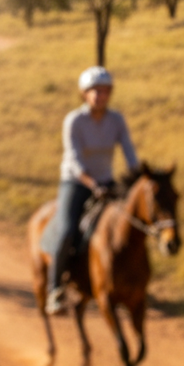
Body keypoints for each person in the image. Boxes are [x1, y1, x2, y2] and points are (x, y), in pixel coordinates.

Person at [42, 66, 139, 314]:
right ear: (84, 94)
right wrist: (91, 183)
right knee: (67, 229)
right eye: (94, 91)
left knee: (130, 224)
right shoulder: (74, 120)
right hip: (76, 182)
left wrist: (137, 179)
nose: (99, 95)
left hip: (106, 181)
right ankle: (54, 290)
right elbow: (73, 160)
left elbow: (129, 153)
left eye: (104, 91)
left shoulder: (116, 120)